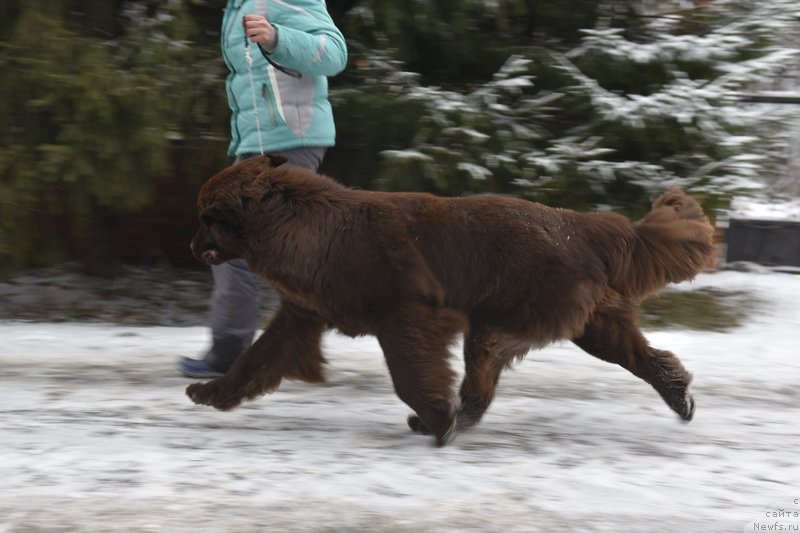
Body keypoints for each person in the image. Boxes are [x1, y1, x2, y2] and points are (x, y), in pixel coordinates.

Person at [179, 0, 347, 378]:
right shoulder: (236, 8)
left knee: (232, 242)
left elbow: (334, 53)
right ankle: (291, 349)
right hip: (259, 144)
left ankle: (233, 351)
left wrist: (277, 38)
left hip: (290, 139)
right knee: (277, 252)